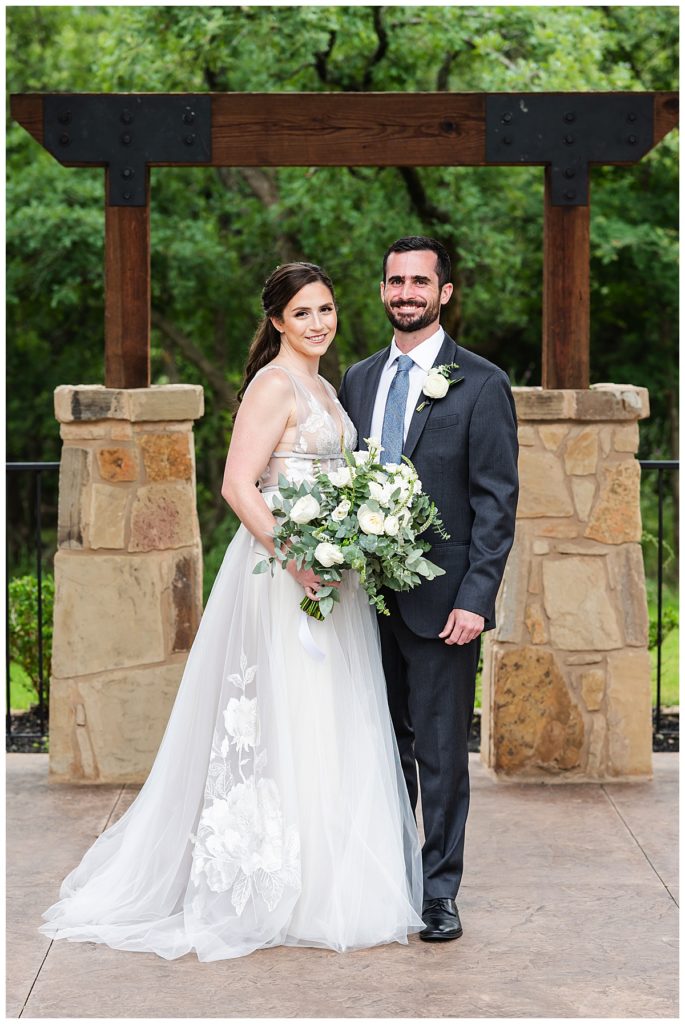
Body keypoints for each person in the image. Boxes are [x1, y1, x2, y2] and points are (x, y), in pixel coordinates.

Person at [40, 262, 424, 962]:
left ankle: (330, 882)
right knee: (282, 714)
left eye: (327, 309)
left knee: (331, 717)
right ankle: (268, 883)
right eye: (303, 312)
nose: (318, 323)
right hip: (280, 575)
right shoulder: (273, 386)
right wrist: (297, 556)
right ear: (277, 320)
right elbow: (237, 484)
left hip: (332, 580)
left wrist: (352, 537)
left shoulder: (327, 392)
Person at [339, 236, 519, 942]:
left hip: (443, 603)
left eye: (419, 281)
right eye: (394, 281)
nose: (405, 292)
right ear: (382, 290)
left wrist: (475, 597)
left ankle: (439, 892)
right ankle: (389, 881)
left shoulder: (480, 382)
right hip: (361, 601)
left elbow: (495, 501)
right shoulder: (357, 378)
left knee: (440, 754)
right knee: (376, 747)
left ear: (444, 292)